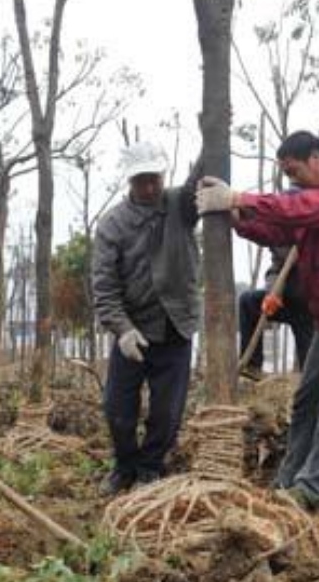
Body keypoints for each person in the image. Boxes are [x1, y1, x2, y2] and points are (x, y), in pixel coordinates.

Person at [195, 130, 319, 509]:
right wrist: (238, 218)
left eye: (294, 172)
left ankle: (312, 488)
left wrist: (239, 196)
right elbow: (278, 228)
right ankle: (288, 479)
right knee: (306, 399)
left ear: (316, 160)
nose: (291, 181)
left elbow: (299, 209)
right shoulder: (312, 204)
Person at [92, 141, 202, 496]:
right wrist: (122, 330)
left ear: (162, 175)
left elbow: (200, 179)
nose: (151, 188)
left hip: (175, 327)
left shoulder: (180, 206)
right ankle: (125, 466)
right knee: (117, 408)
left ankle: (150, 468)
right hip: (134, 330)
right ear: (130, 181)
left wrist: (213, 134)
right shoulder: (112, 225)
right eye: (142, 181)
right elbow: (104, 288)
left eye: (155, 178)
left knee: (168, 410)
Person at [238, 245, 314, 379]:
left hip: (310, 307)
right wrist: (272, 293)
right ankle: (252, 367)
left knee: (310, 368)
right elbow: (274, 269)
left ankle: (311, 382)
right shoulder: (282, 241)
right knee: (247, 302)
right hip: (285, 299)